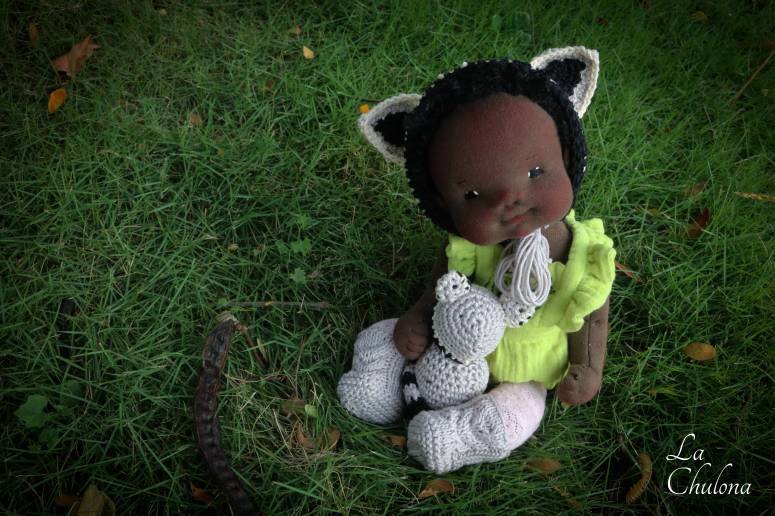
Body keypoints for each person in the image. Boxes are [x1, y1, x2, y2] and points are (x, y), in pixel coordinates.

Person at [339, 47, 616, 474]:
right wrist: (419, 314)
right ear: (443, 205)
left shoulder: (583, 257)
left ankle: (463, 434)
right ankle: (379, 379)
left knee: (520, 408)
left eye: (536, 173)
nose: (511, 200)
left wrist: (587, 366)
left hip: (528, 366)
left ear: (565, 156)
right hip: (454, 342)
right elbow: (441, 281)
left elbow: (592, 317)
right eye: (472, 195)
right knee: (392, 333)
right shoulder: (468, 244)